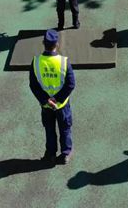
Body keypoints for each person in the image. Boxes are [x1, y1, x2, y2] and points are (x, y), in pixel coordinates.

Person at [29, 30, 76, 164]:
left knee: (49, 129)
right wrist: (57, 99)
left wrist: (46, 100)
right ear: (57, 44)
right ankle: (65, 154)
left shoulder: (36, 62)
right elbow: (70, 84)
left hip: (46, 106)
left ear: (43, 43)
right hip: (62, 105)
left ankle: (50, 154)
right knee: (65, 128)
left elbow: (33, 85)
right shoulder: (64, 62)